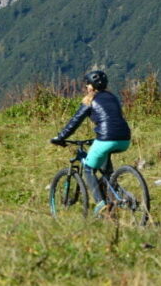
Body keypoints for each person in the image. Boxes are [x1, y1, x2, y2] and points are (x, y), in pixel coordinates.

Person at [51, 70, 132, 214]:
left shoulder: (90, 100)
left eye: (87, 85)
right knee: (108, 174)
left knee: (88, 169)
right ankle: (117, 198)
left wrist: (61, 137)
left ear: (90, 87)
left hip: (106, 139)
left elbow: (74, 122)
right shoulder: (113, 97)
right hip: (125, 138)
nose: (86, 87)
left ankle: (100, 204)